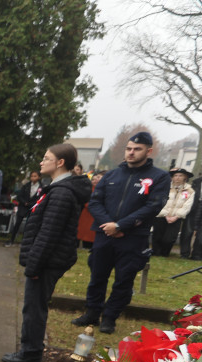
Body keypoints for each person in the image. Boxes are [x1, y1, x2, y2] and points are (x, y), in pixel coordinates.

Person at [2, 144, 92, 362]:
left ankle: (30, 354)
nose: (41, 162)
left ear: (60, 162)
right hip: (47, 259)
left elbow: (49, 234)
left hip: (47, 261)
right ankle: (29, 350)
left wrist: (33, 266)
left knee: (34, 307)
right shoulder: (56, 188)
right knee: (34, 305)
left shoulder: (61, 193)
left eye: (46, 158)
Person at [72, 132, 171, 333]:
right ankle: (92, 313)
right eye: (128, 149)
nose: (131, 153)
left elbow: (153, 207)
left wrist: (121, 226)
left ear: (148, 151)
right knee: (97, 276)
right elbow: (95, 202)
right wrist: (108, 224)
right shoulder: (111, 175)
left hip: (133, 238)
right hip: (104, 234)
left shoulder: (159, 177)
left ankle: (110, 317)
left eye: (137, 149)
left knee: (124, 280)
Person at [151, 168, 194, 257]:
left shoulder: (189, 190)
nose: (177, 178)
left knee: (169, 238)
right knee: (157, 235)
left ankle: (164, 253)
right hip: (162, 215)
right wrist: (165, 214)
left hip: (176, 218)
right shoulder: (165, 187)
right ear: (172, 177)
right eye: (175, 175)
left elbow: (187, 205)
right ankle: (155, 252)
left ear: (185, 177)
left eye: (180, 175)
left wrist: (177, 216)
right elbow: (159, 200)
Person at [5, 170, 45, 247]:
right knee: (17, 223)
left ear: (39, 177)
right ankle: (11, 240)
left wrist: (33, 204)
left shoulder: (41, 187)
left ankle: (25, 242)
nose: (33, 178)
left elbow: (41, 198)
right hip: (23, 207)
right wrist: (24, 202)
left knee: (29, 225)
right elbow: (20, 195)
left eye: (35, 176)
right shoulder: (26, 186)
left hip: (33, 207)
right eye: (32, 176)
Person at [77, 171, 105, 248]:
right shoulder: (88, 190)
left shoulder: (105, 190)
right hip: (86, 217)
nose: (95, 179)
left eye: (98, 177)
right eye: (93, 178)